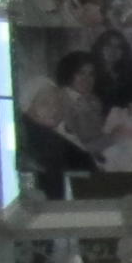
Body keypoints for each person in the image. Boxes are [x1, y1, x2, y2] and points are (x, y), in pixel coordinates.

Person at [18, 51, 106, 196]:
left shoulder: (58, 134)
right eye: (45, 103)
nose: (54, 109)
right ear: (27, 107)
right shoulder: (35, 141)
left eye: (57, 103)